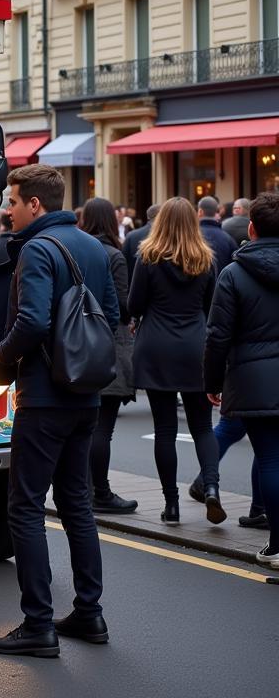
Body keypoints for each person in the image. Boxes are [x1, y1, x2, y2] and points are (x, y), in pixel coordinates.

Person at [0, 164, 118, 657]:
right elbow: (112, 314)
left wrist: (0, 357)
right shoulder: (93, 247)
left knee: (24, 507)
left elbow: (33, 321)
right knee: (78, 504)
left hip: (43, 397)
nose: (9, 211)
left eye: (14, 202)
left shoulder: (38, 249)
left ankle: (38, 624)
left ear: (35, 204)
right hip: (86, 395)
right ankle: (89, 612)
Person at [129, 197, 223, 524]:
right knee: (202, 427)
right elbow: (210, 308)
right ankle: (211, 487)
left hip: (156, 347)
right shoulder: (206, 260)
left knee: (165, 428)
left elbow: (135, 304)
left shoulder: (148, 257)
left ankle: (171, 505)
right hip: (196, 347)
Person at [204, 192, 279, 568]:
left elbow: (218, 335)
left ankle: (277, 545)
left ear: (251, 227)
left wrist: (212, 382)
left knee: (269, 457)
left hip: (251, 376)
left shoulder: (233, 274)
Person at [81, 197, 137, 514]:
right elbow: (122, 305)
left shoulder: (73, 250)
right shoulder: (114, 256)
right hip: (106, 345)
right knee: (103, 428)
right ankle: (100, 492)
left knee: (83, 426)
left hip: (73, 346)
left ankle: (82, 488)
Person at [198, 196, 236, 270]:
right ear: (216, 212)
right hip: (222, 280)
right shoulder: (227, 238)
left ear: (200, 212)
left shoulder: (191, 236)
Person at [122, 203, 159, 279]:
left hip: (133, 283)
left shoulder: (131, 236)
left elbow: (123, 263)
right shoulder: (166, 236)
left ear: (148, 217)